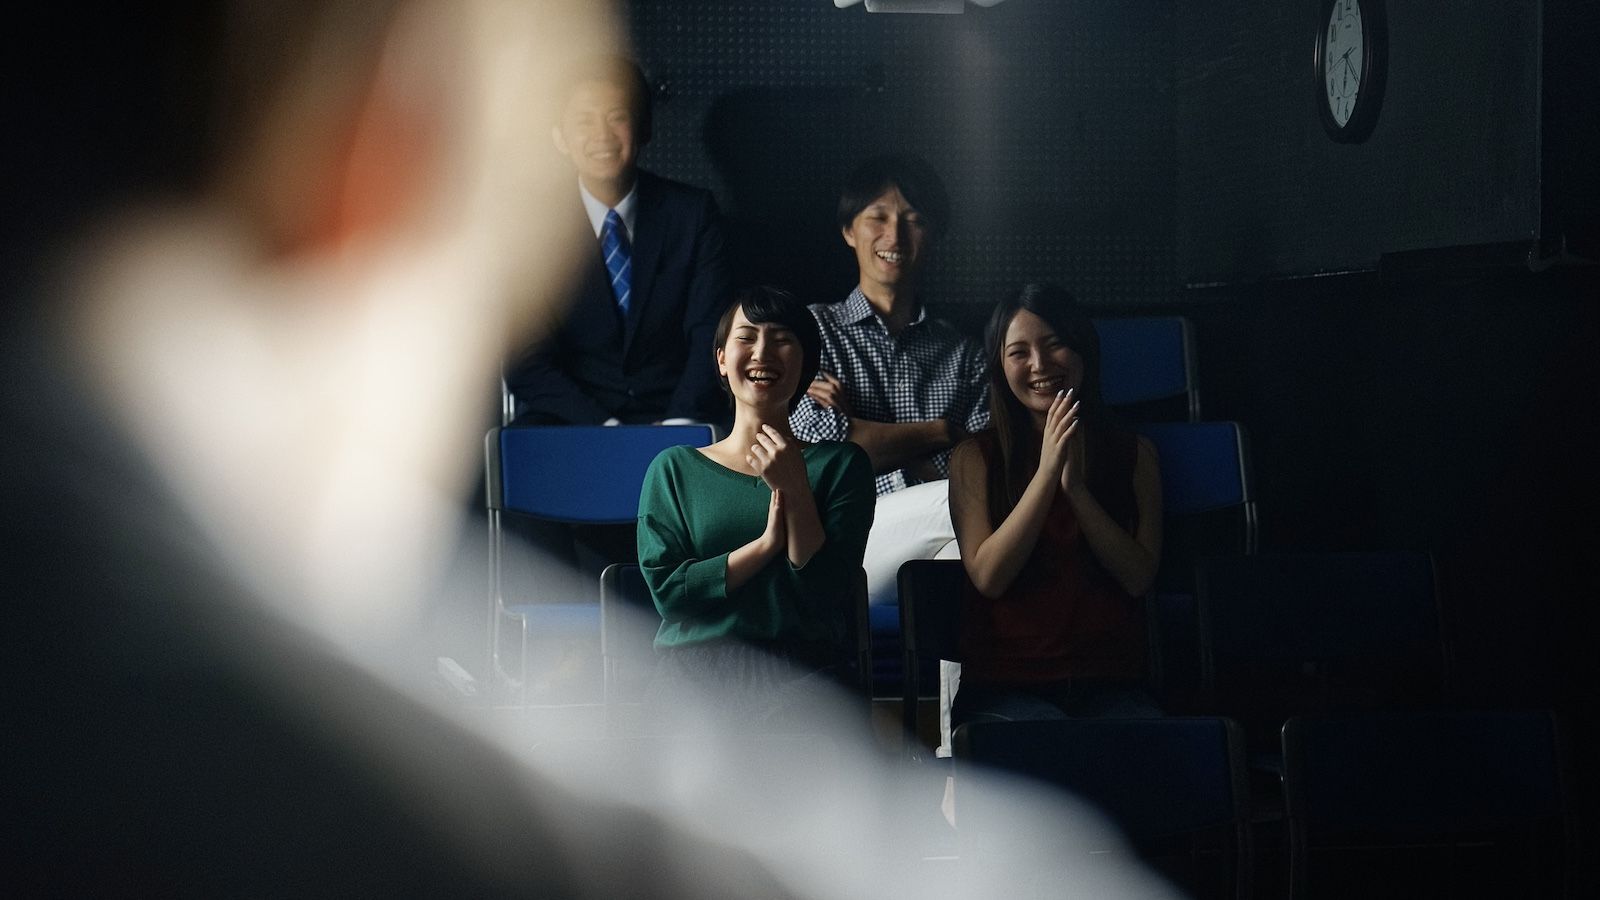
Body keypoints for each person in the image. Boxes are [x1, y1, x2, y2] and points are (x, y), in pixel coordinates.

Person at [637, 287, 876, 730]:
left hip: (803, 675)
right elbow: (671, 594)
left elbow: (825, 593)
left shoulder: (842, 466)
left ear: (806, 363)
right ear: (722, 359)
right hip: (692, 675)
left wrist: (795, 489)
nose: (763, 351)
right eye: (747, 337)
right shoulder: (674, 469)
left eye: (782, 338)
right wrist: (767, 546)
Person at [947, 283, 1165, 727]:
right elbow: (989, 576)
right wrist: (1046, 476)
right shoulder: (975, 458)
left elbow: (1139, 576)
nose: (1040, 365)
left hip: (1110, 682)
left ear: (1082, 349)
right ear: (1000, 364)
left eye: (1055, 344)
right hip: (1006, 687)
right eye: (1018, 352)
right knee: (1052, 741)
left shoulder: (1136, 454)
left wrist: (1076, 492)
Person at [788, 154, 987, 605]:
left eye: (913, 220)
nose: (893, 235)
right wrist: (943, 434)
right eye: (877, 217)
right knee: (966, 509)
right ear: (848, 231)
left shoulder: (965, 356)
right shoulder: (813, 332)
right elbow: (820, 459)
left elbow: (989, 466)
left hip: (935, 537)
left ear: (932, 235)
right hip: (843, 539)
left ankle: (954, 682)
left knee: (962, 566)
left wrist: (861, 433)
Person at [504, 55, 731, 428]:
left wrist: (678, 419)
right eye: (584, 120)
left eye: (617, 116)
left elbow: (712, 332)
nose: (603, 135)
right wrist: (604, 427)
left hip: (678, 410)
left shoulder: (692, 214)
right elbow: (525, 361)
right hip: (575, 418)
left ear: (644, 129)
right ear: (560, 136)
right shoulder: (535, 230)